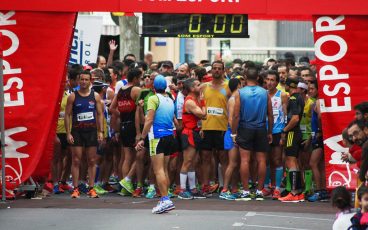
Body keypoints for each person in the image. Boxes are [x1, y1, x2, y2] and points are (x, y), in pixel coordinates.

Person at [136, 75, 177, 214]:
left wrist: (142, 138)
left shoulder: (153, 98)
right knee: (164, 169)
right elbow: (175, 121)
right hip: (169, 136)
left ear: (153, 87)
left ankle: (165, 200)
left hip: (157, 137)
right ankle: (165, 198)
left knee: (158, 170)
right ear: (165, 86)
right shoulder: (170, 99)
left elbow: (149, 120)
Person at [232, 67, 273, 201]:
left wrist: (233, 132)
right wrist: (270, 131)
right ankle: (260, 191)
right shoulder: (265, 92)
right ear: (257, 78)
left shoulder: (240, 92)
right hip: (261, 128)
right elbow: (270, 114)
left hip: (245, 127)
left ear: (244, 77)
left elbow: (236, 115)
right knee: (261, 160)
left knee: (245, 160)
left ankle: (245, 191)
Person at [64, 70, 104, 199]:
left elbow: (99, 114)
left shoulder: (95, 96)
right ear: (78, 80)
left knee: (92, 160)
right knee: (76, 160)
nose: (84, 82)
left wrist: (101, 131)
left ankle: (91, 188)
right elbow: (67, 115)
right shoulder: (73, 96)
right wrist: (68, 133)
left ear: (90, 81)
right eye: (82, 79)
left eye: (86, 79)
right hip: (77, 132)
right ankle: (75, 189)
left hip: (91, 131)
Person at [200, 60, 231, 195]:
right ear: (211, 70)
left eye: (219, 69)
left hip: (222, 127)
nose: (217, 70)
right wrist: (200, 126)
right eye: (214, 68)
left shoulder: (228, 86)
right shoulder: (204, 87)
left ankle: (224, 186)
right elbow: (200, 106)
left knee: (223, 157)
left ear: (223, 71)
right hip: (207, 127)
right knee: (206, 157)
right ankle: (206, 185)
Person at [110, 68, 142, 195]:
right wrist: (129, 115)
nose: (140, 81)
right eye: (140, 78)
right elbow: (141, 110)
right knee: (139, 156)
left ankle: (124, 187)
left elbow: (112, 108)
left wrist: (123, 114)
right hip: (133, 127)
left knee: (127, 157)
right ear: (135, 78)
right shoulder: (136, 90)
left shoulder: (121, 90)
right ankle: (127, 182)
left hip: (123, 125)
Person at [178, 78, 207, 200]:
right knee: (187, 162)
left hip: (194, 132)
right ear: (191, 88)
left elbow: (202, 117)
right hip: (189, 133)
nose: (200, 86)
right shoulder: (190, 101)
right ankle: (182, 190)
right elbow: (203, 115)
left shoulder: (195, 99)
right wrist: (204, 102)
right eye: (197, 85)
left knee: (193, 162)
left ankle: (193, 189)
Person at [278, 77, 305, 202]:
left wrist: (285, 130)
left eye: (285, 85)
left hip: (292, 133)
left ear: (289, 86)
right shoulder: (299, 97)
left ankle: (294, 193)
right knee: (294, 161)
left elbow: (294, 119)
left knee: (291, 161)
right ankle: (298, 191)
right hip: (296, 132)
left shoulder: (294, 98)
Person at [265, 70, 288, 200]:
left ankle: (278, 188)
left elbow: (285, 114)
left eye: (272, 80)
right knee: (266, 160)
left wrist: (284, 132)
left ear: (277, 82)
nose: (269, 82)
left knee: (277, 159)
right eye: (267, 80)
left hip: (278, 131)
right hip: (264, 131)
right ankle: (268, 186)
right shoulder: (263, 94)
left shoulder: (282, 95)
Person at [219, 78, 241, 201]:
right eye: (241, 85)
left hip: (233, 132)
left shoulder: (235, 99)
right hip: (232, 133)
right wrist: (234, 134)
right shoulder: (233, 100)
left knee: (235, 163)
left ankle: (233, 188)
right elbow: (231, 119)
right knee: (232, 163)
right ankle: (225, 189)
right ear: (238, 86)